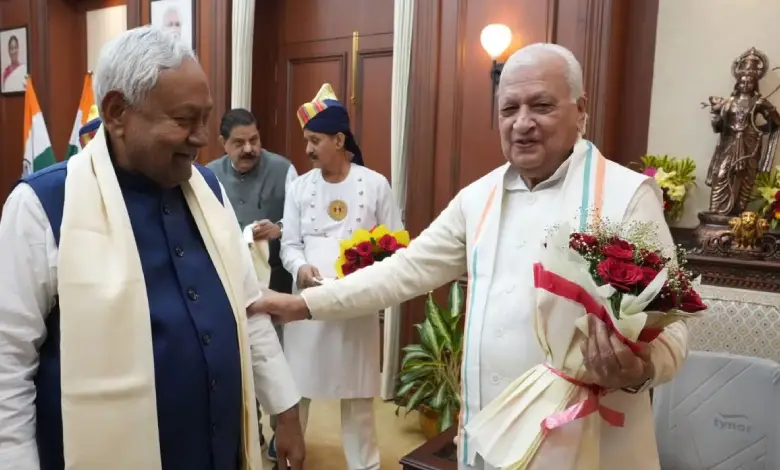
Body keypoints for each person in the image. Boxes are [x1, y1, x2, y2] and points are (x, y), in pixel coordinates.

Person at [252, 44, 689, 470]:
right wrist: (304, 304)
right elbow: (405, 270)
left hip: (585, 442)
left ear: (581, 109)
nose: (522, 123)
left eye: (541, 106)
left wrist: (641, 368)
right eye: (508, 109)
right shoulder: (478, 197)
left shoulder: (626, 196)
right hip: (486, 434)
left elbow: (673, 327)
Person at [0, 26, 304, 470]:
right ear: (117, 112)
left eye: (206, 118)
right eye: (184, 121)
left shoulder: (209, 191)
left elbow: (248, 309)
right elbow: (9, 363)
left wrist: (286, 408)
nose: (202, 138)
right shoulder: (43, 206)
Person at [279, 83, 402, 470]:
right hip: (309, 301)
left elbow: (397, 240)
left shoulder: (376, 183)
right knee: (296, 392)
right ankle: (288, 462)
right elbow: (289, 243)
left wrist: (374, 272)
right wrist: (299, 267)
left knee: (358, 397)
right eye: (306, 141)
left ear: (338, 139)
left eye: (315, 140)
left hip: (357, 303)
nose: (309, 149)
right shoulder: (299, 186)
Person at [207, 108, 297, 460]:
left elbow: (301, 224)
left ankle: (281, 436)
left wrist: (280, 230)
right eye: (239, 143)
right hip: (229, 287)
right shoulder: (208, 176)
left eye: (254, 140)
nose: (249, 149)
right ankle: (251, 437)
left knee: (276, 361)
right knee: (239, 367)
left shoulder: (284, 169)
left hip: (276, 283)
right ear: (223, 145)